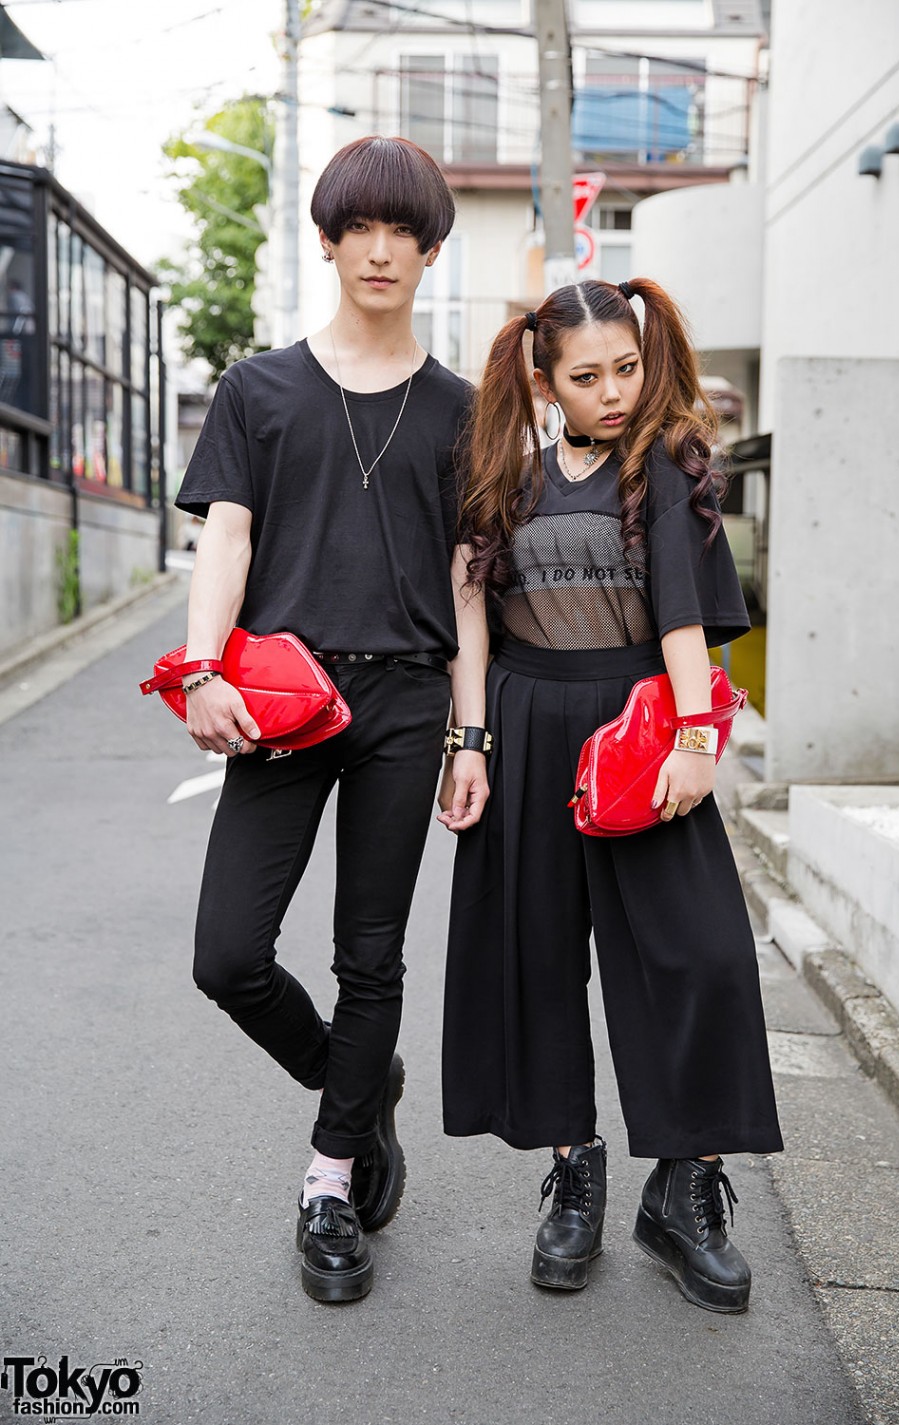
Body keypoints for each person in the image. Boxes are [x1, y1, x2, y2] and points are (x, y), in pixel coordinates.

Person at [175, 136, 489, 1304]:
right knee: (227, 956)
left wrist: (471, 735)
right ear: (327, 240)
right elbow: (229, 536)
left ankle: (329, 1178)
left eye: (401, 231)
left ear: (428, 250)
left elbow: (468, 578)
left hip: (409, 702)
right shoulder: (257, 388)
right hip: (284, 703)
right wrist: (201, 669)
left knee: (371, 958)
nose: (378, 249)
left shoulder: (461, 408)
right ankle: (359, 1086)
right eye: (357, 228)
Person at [440, 277, 783, 1314]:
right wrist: (468, 742)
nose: (613, 392)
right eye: (586, 377)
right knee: (538, 960)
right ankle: (574, 1174)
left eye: (625, 369)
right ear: (542, 381)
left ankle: (686, 1185)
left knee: (701, 955)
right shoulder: (499, 473)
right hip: (526, 721)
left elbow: (682, 616)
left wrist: (693, 737)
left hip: (639, 733)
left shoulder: (667, 464)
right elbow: (470, 618)